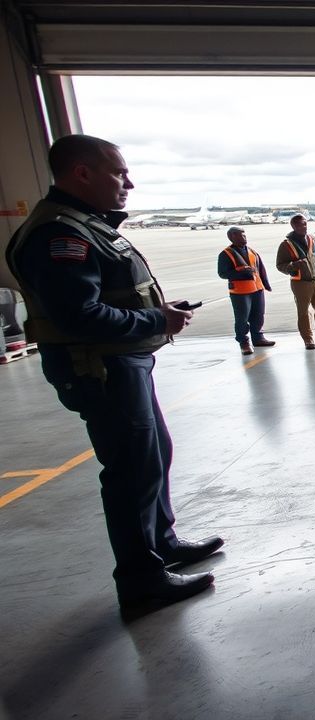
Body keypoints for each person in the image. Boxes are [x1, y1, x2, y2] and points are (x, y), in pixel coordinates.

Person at [4, 134, 222, 611]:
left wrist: (155, 311)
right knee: (130, 470)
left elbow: (107, 298)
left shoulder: (85, 226)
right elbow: (77, 316)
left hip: (121, 363)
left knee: (153, 454)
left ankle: (161, 544)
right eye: (118, 173)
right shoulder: (59, 235)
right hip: (100, 368)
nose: (129, 183)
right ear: (82, 172)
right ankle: (141, 579)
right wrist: (156, 320)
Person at [276, 214, 315, 349]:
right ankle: (308, 339)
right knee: (304, 312)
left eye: (304, 224)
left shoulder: (313, 239)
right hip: (301, 283)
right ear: (293, 226)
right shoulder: (286, 245)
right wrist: (292, 266)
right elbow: (280, 265)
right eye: (299, 224)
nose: (303, 227)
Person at [217, 226, 275, 355]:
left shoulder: (252, 251)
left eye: (244, 235)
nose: (244, 237)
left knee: (258, 316)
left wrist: (265, 284)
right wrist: (240, 272)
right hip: (240, 292)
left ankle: (258, 338)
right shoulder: (226, 254)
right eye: (240, 235)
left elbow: (260, 269)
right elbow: (222, 273)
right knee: (242, 319)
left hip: (257, 289)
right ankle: (244, 342)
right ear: (231, 237)